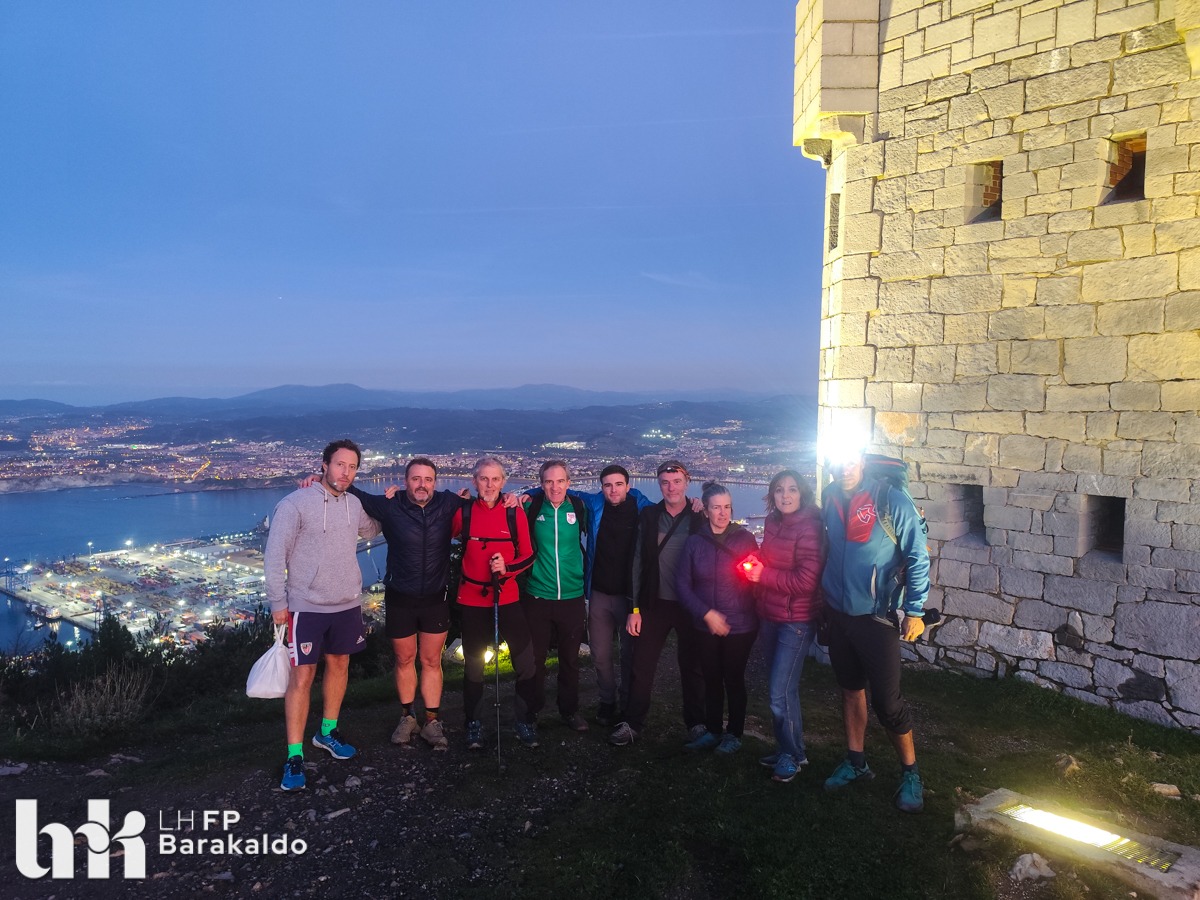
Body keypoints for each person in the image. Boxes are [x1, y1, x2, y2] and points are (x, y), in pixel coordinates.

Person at [266, 439, 381, 792]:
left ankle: (327, 732)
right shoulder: (295, 503)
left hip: (346, 602)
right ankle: (295, 754)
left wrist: (391, 503)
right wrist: (278, 603)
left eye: (352, 467)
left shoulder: (354, 504)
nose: (345, 472)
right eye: (340, 464)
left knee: (340, 665)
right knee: (302, 677)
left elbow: (373, 529)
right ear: (324, 465)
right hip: (306, 605)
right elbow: (275, 555)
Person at [820, 448, 930, 813]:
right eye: (838, 461)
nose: (845, 467)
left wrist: (914, 610)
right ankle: (856, 762)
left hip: (876, 616)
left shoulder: (890, 499)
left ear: (862, 463)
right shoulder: (830, 496)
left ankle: (911, 774)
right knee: (850, 689)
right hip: (839, 614)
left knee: (888, 702)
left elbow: (917, 555)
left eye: (850, 460)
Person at [345, 457, 465, 751]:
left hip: (436, 598)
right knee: (404, 659)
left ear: (435, 482)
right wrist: (317, 479)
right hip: (400, 596)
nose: (422, 485)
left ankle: (432, 720)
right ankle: (408, 716)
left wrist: (523, 497)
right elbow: (351, 491)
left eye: (428, 479)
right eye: (416, 479)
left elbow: (487, 498)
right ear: (405, 480)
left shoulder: (448, 503)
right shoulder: (390, 506)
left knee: (432, 661)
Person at [522, 463, 654, 725]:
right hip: (594, 592)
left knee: (626, 655)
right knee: (599, 654)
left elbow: (665, 509)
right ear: (601, 487)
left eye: (619, 484)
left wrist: (694, 504)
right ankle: (606, 702)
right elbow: (556, 489)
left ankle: (624, 706)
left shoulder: (640, 507)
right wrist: (530, 492)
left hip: (624, 596)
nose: (613, 490)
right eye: (607, 485)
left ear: (628, 487)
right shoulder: (591, 505)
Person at [609, 460, 706, 746]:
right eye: (665, 482)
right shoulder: (650, 515)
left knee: (693, 666)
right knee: (642, 665)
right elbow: (637, 561)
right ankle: (633, 723)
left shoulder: (698, 515)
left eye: (676, 482)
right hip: (655, 603)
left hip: (689, 603)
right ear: (659, 484)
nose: (671, 487)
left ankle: (697, 723)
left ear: (687, 482)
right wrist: (634, 608)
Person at [743, 470, 826, 783]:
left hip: (796, 620)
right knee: (782, 690)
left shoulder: (811, 527)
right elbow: (770, 558)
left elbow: (807, 581)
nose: (785, 495)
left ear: (802, 493)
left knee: (779, 692)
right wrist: (756, 559)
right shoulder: (772, 522)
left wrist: (762, 575)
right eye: (779, 490)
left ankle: (790, 755)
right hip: (769, 615)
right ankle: (791, 750)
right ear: (772, 495)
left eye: (792, 489)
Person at [453, 457, 540, 749]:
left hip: (507, 597)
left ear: (503, 482)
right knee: (474, 666)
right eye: (483, 479)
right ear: (474, 481)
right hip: (472, 599)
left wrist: (507, 568)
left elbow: (529, 554)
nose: (489, 485)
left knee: (525, 662)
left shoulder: (514, 513)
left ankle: (524, 720)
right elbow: (437, 530)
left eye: (495, 479)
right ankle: (473, 723)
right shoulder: (464, 512)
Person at [675, 482, 759, 755]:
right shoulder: (694, 542)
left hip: (740, 623)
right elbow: (682, 585)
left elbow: (757, 574)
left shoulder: (745, 539)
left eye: (727, 507)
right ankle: (712, 730)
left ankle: (734, 733)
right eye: (716, 508)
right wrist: (706, 613)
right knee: (711, 677)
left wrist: (753, 573)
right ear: (706, 511)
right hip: (705, 624)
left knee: (733, 678)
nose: (722, 513)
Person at [520, 460, 590, 732]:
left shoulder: (579, 508)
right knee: (534, 659)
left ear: (569, 483)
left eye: (560, 481)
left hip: (572, 596)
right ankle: (530, 712)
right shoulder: (532, 507)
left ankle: (569, 710)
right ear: (541, 484)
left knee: (570, 660)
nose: (555, 487)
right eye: (549, 481)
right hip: (538, 595)